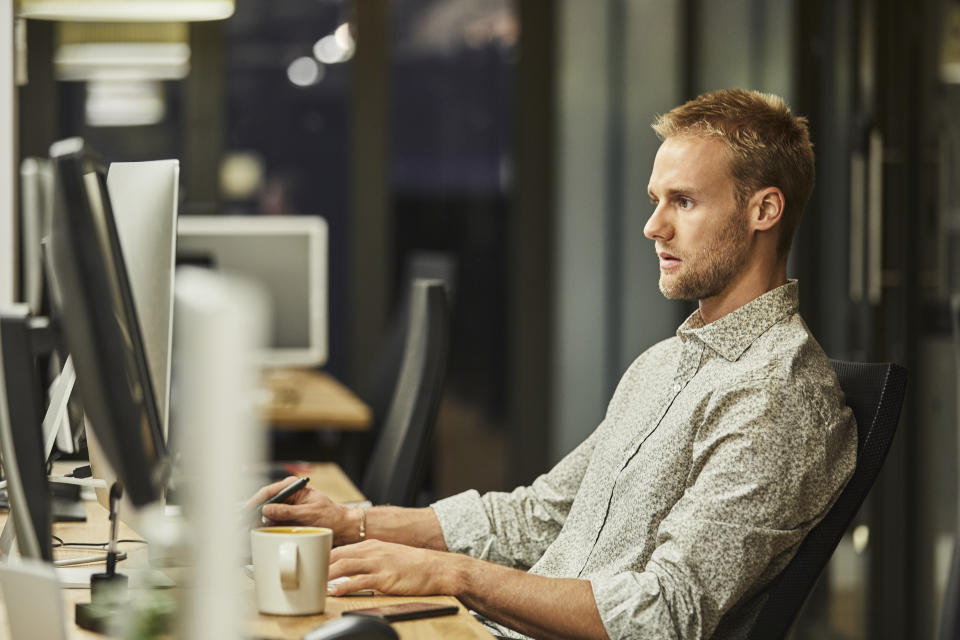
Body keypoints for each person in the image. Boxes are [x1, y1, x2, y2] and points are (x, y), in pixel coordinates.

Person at [247, 89, 857, 640]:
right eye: (655, 201)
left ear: (764, 211)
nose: (653, 226)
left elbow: (663, 614)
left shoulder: (777, 395)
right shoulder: (667, 362)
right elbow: (540, 515)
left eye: (684, 202)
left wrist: (453, 574)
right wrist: (353, 521)